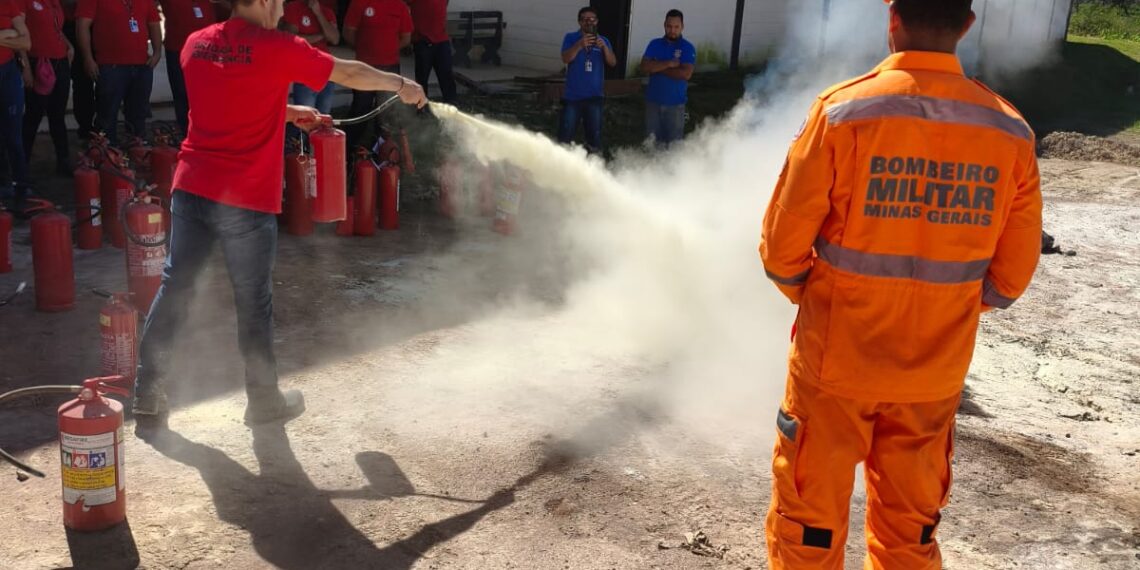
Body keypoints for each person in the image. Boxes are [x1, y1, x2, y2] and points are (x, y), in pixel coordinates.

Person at [759, 1, 1041, 568]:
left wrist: (820, 298)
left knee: (809, 526)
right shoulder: (1009, 130)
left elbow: (782, 251)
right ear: (966, 24)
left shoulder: (842, 112)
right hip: (932, 373)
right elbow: (1011, 279)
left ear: (892, 18)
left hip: (835, 361)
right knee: (908, 534)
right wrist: (943, 305)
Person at [131, 0, 426, 427]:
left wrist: (285, 112)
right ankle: (264, 401)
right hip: (245, 199)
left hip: (192, 186)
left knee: (176, 287)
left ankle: (148, 391)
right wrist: (401, 83)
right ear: (266, 1)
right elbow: (349, 72)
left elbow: (226, 98)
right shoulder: (278, 46)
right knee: (253, 302)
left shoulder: (196, 43)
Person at [76, 0, 162, 146]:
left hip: (141, 65)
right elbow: (82, 26)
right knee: (107, 116)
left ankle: (137, 153)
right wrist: (88, 58)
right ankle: (107, 155)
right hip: (110, 66)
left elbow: (153, 23)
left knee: (138, 115)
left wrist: (157, 52)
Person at [342, 0, 409, 148]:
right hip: (364, 67)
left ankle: (381, 151)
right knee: (361, 107)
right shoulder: (359, 3)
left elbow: (406, 37)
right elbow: (348, 32)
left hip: (390, 68)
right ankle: (348, 149)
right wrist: (365, 50)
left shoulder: (400, 6)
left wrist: (387, 49)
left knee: (386, 110)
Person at [21, 0, 74, 176]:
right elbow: (20, 32)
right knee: (33, 116)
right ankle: (22, 165)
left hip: (60, 62)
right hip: (39, 63)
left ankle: (63, 162)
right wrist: (26, 66)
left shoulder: (54, 2)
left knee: (57, 116)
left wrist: (69, 44)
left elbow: (56, 28)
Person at [557, 6, 615, 154]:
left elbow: (612, 62)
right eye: (585, 20)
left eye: (592, 19)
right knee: (565, 135)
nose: (589, 22)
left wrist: (605, 49)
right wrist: (579, 45)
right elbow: (566, 58)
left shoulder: (604, 40)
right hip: (573, 97)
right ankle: (561, 165)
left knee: (594, 138)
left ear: (597, 21)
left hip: (594, 97)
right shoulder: (571, 38)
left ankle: (592, 166)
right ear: (579, 22)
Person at [157, 0, 217, 136]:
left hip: (209, 50)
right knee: (182, 93)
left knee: (209, 94)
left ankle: (208, 130)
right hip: (178, 49)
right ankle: (187, 132)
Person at [638, 9, 694, 147]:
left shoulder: (687, 47)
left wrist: (657, 68)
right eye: (669, 26)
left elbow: (685, 74)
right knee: (652, 143)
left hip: (675, 104)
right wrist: (668, 64)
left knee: (674, 146)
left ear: (682, 27)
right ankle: (652, 168)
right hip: (653, 102)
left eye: (676, 27)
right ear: (664, 25)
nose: (672, 30)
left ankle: (672, 169)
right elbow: (644, 67)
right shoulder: (654, 44)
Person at [282, 0, 338, 113]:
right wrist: (321, 35)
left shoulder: (326, 11)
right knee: (306, 117)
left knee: (324, 117)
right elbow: (292, 39)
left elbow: (335, 39)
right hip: (304, 70)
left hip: (326, 70)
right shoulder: (293, 7)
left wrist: (318, 13)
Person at [0, 0, 29, 209]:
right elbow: (18, 37)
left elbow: (26, 42)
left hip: (8, 72)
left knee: (14, 138)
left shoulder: (8, 3)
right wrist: (7, 34)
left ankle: (20, 192)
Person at [405, 0, 454, 103]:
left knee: (446, 76)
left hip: (442, 40)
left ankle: (452, 106)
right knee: (422, 79)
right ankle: (422, 108)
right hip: (422, 40)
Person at [61, 0, 96, 140]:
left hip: (96, 25)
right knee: (82, 82)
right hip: (68, 26)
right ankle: (86, 128)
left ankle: (99, 127)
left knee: (103, 80)